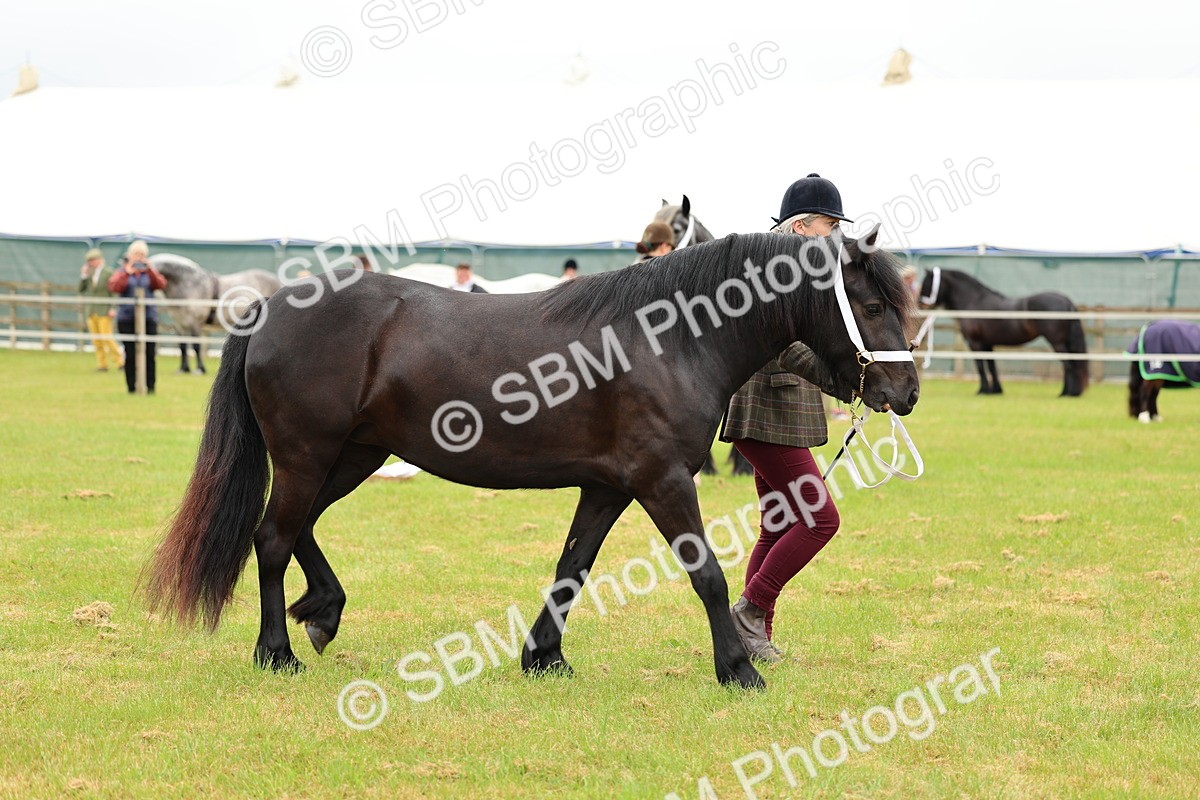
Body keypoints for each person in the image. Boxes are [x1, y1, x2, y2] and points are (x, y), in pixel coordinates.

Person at [720, 173, 853, 663]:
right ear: (801, 226)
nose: (834, 235)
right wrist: (842, 383)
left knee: (777, 525)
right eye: (828, 224)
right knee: (821, 520)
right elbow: (790, 349)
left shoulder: (791, 265)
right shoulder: (777, 268)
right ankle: (751, 611)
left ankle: (752, 637)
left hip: (776, 411)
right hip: (767, 410)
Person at [108, 241, 167, 393]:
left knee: (150, 353)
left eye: (142, 255)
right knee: (131, 354)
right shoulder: (122, 271)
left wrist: (151, 269)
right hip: (127, 318)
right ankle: (132, 387)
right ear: (130, 255)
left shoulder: (149, 272)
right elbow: (114, 286)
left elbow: (161, 284)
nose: (139, 258)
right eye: (136, 254)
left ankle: (151, 386)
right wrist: (127, 272)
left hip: (148, 317)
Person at [78, 248, 123, 371]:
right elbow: (81, 289)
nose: (90, 263)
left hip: (104, 310)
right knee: (96, 340)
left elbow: (114, 292)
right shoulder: (89, 274)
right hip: (91, 310)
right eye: (89, 261)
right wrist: (83, 276)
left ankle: (120, 362)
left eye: (92, 260)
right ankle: (102, 364)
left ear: (99, 260)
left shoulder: (109, 272)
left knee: (107, 338)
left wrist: (113, 307)